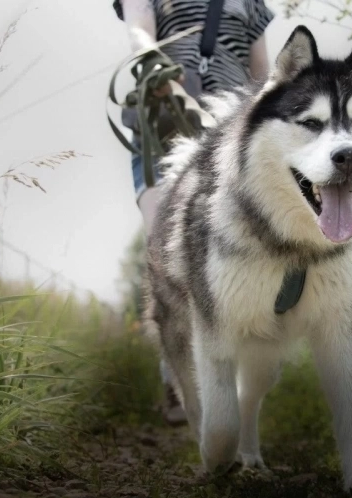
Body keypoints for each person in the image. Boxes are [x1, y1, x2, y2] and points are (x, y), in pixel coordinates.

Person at [114, 0, 274, 425]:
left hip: (228, 134)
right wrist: (156, 67)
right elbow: (139, 30)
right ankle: (179, 376)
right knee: (165, 249)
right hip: (164, 125)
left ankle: (226, 379)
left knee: (234, 253)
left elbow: (262, 74)